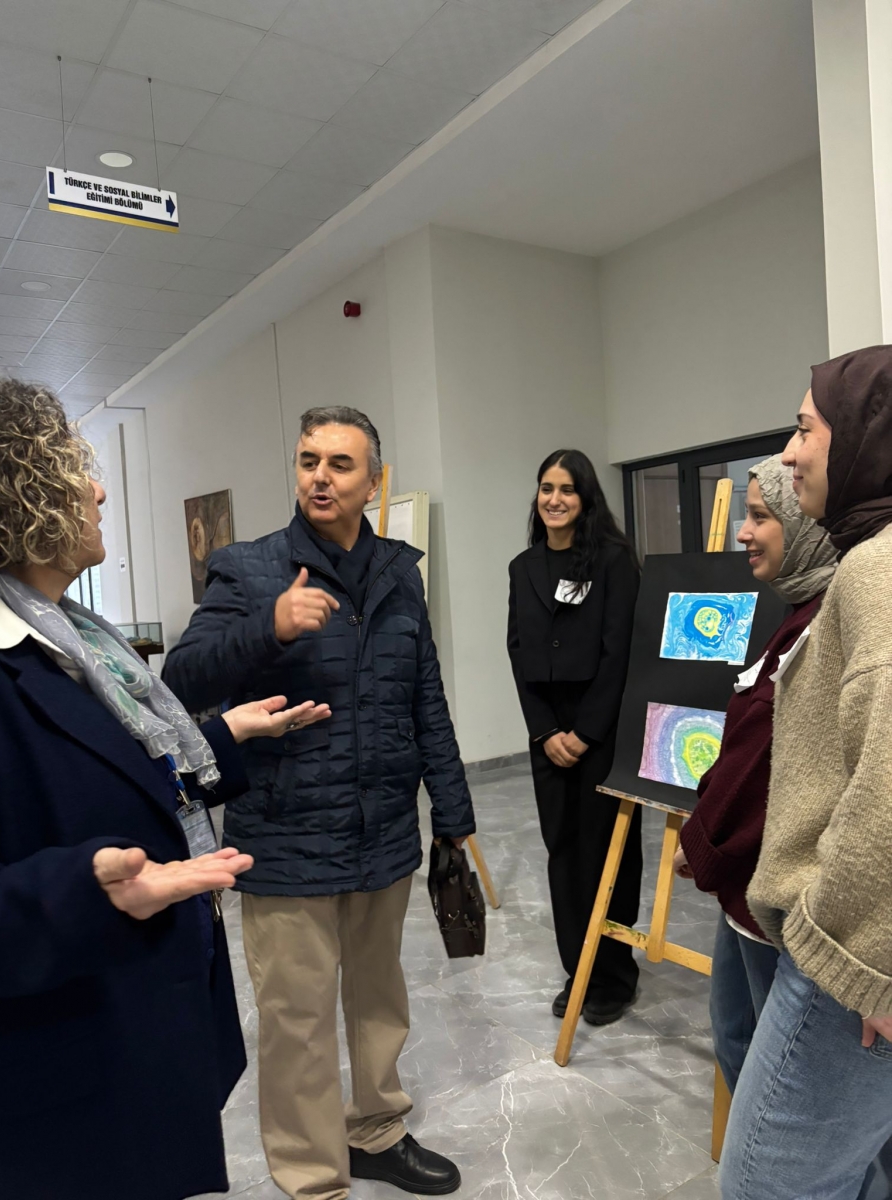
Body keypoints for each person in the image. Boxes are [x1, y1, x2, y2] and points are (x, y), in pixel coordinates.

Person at [0, 380, 330, 1200]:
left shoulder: (78, 637)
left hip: (134, 1021)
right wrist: (82, 891)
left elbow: (111, 769)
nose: (99, 491)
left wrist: (224, 737)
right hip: (63, 1073)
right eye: (74, 470)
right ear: (20, 494)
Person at [163, 406, 475, 1200]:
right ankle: (312, 1180)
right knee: (297, 1022)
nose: (321, 478)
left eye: (340, 464)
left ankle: (376, 1132)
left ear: (373, 481)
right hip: (287, 839)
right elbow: (181, 680)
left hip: (383, 834)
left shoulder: (399, 573)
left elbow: (425, 696)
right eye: (309, 461)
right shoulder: (249, 569)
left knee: (379, 1002)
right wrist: (268, 627)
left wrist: (453, 815)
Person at [720, 346, 892, 1200]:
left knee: (763, 1184)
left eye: (806, 428)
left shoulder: (875, 570)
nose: (790, 452)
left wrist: (865, 958)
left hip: (851, 968)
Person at [672, 454, 836, 1092]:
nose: (744, 533)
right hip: (746, 886)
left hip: (778, 897)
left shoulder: (826, 624)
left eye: (761, 517)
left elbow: (765, 765)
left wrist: (703, 840)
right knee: (736, 1036)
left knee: (781, 1082)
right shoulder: (796, 612)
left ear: (804, 528)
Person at [507, 448, 643, 1026]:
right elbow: (517, 651)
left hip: (601, 730)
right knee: (562, 850)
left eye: (566, 489)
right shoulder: (523, 567)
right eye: (546, 488)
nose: (554, 499)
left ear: (586, 498)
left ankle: (613, 974)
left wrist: (585, 732)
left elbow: (620, 654)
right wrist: (545, 731)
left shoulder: (613, 561)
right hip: (548, 733)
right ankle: (579, 969)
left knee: (608, 852)